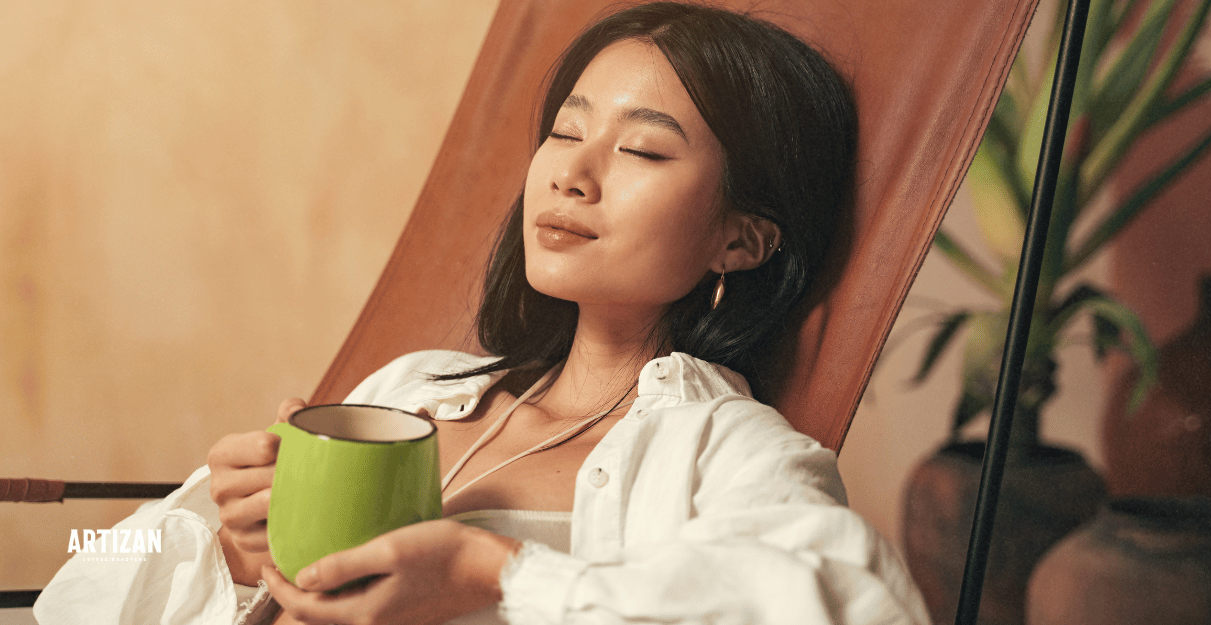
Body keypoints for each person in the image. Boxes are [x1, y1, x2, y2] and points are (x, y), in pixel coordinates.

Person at [35, 3, 929, 624]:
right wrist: (230, 547)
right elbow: (88, 576)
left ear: (742, 240)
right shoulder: (416, 386)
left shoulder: (720, 447)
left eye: (645, 149)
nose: (573, 173)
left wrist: (493, 577)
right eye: (566, 131)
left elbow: (862, 599)